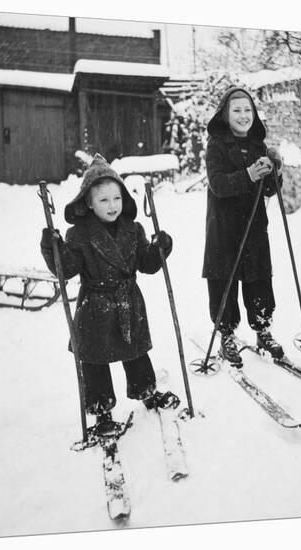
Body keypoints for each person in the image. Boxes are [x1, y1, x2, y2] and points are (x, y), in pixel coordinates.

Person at [41, 154, 179, 433]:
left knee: (137, 353)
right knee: (95, 363)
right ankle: (102, 413)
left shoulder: (134, 229)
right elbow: (66, 269)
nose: (112, 205)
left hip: (129, 301)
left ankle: (148, 393)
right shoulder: (78, 235)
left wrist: (160, 248)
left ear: (124, 199)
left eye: (116, 198)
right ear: (88, 203)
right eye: (103, 200)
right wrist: (52, 247)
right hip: (96, 307)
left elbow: (147, 264)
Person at [203, 87, 284, 366]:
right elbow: (218, 184)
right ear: (225, 115)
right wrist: (249, 174)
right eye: (237, 110)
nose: (243, 115)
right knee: (224, 280)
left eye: (248, 110)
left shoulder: (258, 146)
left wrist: (275, 172)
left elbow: (269, 190)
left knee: (259, 278)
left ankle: (262, 329)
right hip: (224, 227)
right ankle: (225, 334)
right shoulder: (216, 145)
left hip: (253, 226)